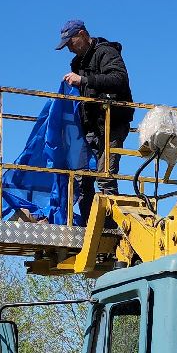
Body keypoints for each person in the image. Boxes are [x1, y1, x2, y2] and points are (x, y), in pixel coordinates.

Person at [56, 19, 134, 219]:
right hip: (89, 128)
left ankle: (109, 227)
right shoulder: (77, 62)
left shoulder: (106, 52)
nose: (69, 49)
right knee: (82, 178)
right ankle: (88, 226)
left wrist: (83, 80)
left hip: (112, 124)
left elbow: (119, 80)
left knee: (105, 177)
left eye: (71, 43)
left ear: (81, 34)